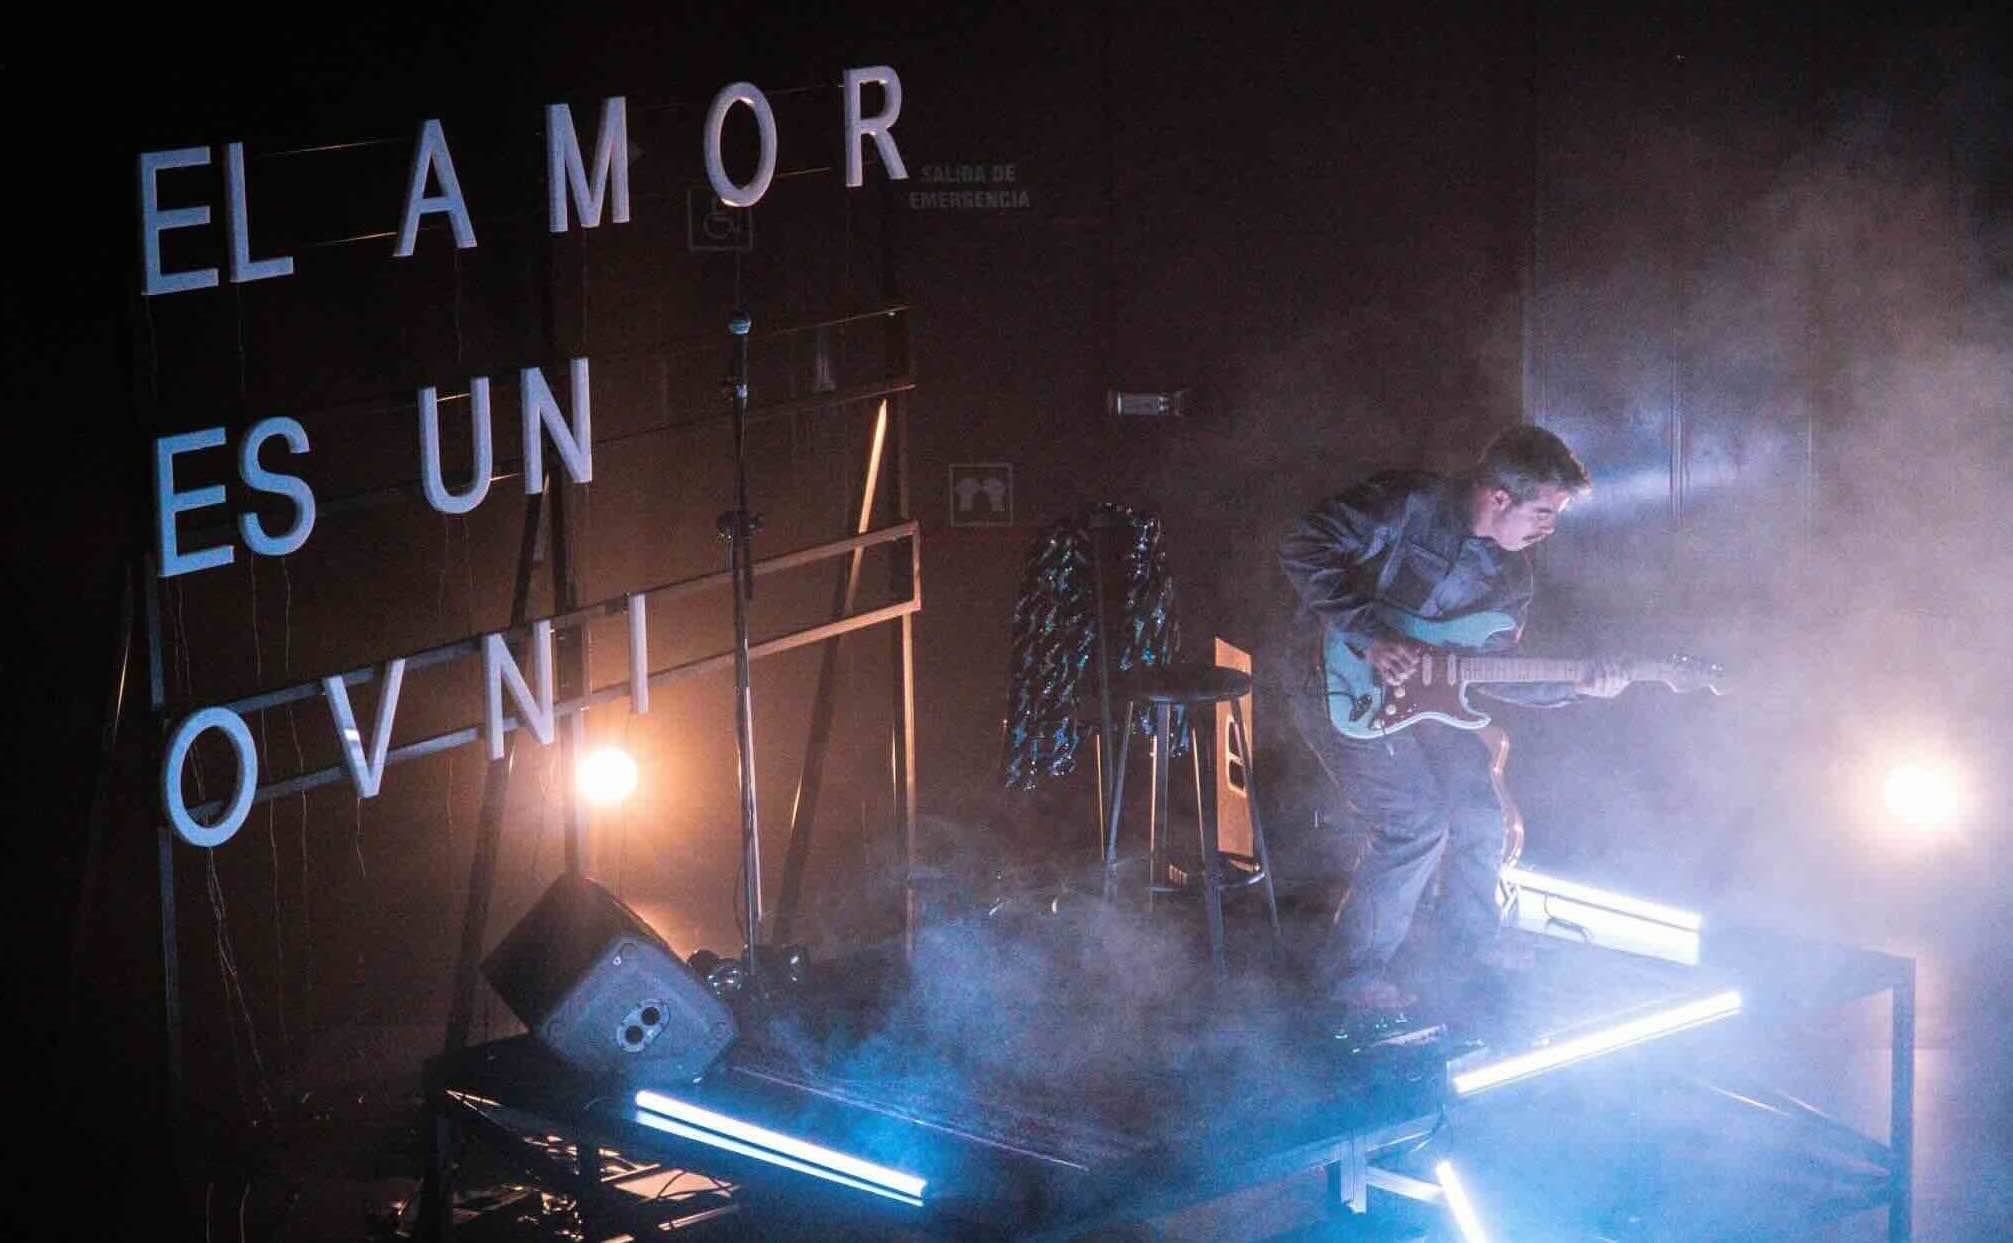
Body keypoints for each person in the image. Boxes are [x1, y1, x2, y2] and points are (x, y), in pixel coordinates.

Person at [1278, 424, 1627, 1011]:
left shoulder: (1512, 576)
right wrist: (1371, 636)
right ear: (1499, 497)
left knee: (1479, 813)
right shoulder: (1408, 504)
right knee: (1415, 823)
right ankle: (1350, 978)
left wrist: (1579, 688)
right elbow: (1303, 546)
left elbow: (1495, 671)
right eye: (1543, 512)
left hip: (1428, 700)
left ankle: (1467, 946)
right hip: (1334, 679)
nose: (1549, 528)